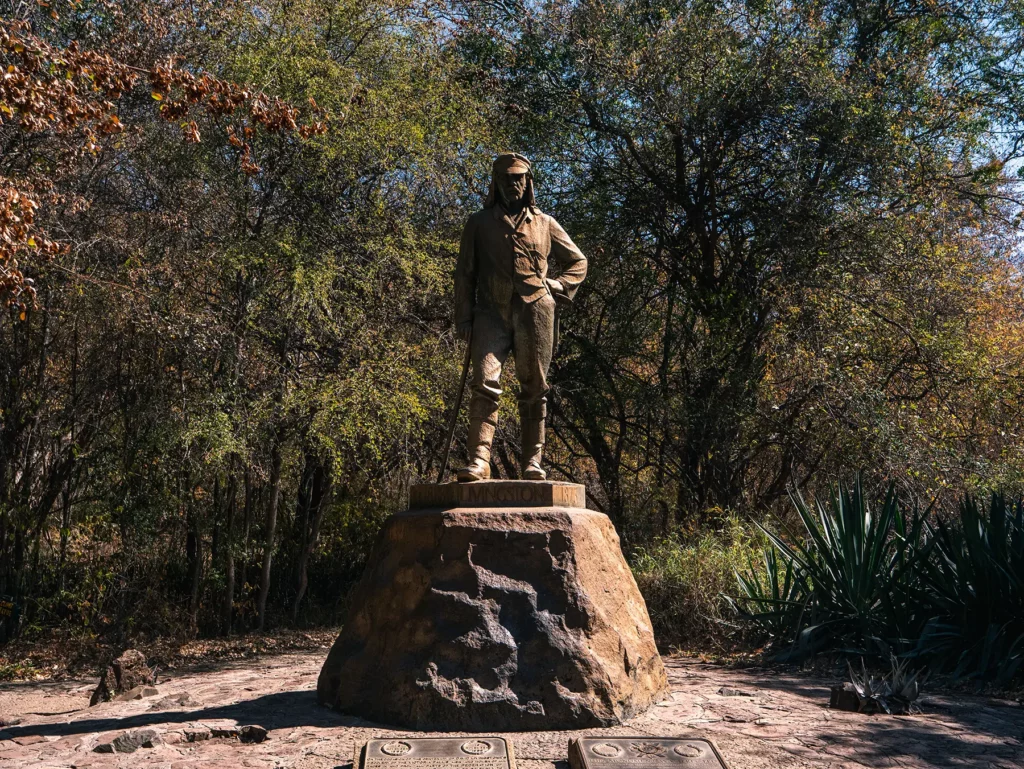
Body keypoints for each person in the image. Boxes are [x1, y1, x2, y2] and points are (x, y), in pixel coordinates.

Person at [454, 152, 588, 481]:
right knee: (485, 382)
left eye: (519, 178)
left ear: (528, 182)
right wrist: (464, 318)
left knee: (534, 387)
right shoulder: (479, 223)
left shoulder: (544, 223)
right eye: (505, 179)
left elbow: (578, 262)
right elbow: (464, 275)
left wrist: (558, 285)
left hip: (535, 310)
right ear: (495, 183)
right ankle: (480, 460)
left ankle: (533, 462)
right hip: (490, 312)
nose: (513, 185)